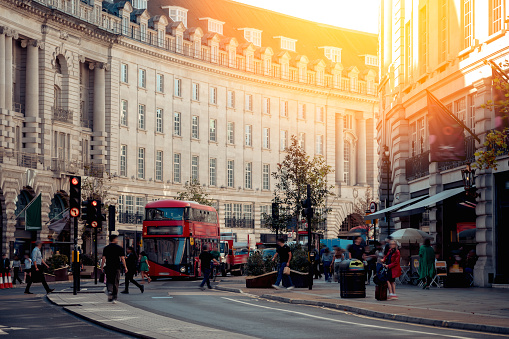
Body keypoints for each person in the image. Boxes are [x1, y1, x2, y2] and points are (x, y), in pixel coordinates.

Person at [100, 235, 127, 303]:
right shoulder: (119, 248)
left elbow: (103, 258)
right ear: (114, 239)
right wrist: (125, 267)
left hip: (108, 267)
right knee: (116, 282)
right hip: (116, 267)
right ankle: (114, 297)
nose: (117, 240)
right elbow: (122, 258)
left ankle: (109, 291)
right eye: (116, 239)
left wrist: (102, 266)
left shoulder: (106, 248)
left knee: (109, 280)